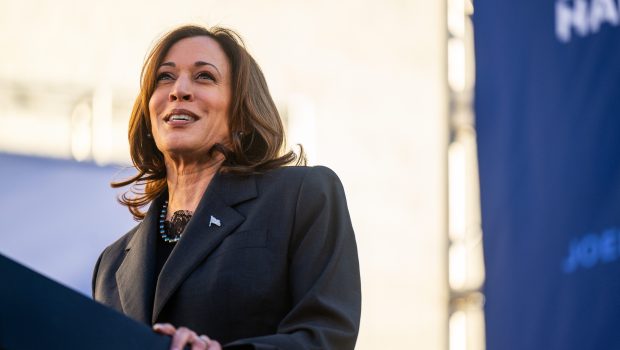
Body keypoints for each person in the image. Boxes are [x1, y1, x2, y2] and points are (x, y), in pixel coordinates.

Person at [91, 25, 361, 350]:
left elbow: (326, 338)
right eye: (165, 77)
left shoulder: (304, 196)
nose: (179, 90)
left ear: (242, 113)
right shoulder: (111, 264)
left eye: (204, 76)